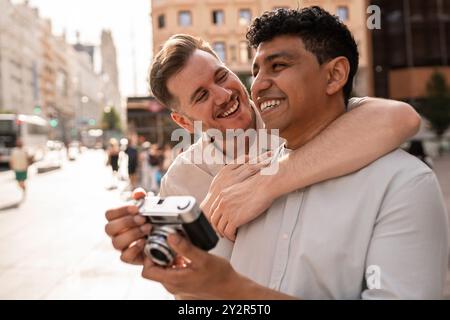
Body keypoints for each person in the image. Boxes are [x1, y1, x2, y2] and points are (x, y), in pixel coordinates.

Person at [104, 8, 443, 298]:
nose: (225, 94)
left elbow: (399, 118)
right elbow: (191, 290)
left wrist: (271, 181)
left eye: (223, 76)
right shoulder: (181, 178)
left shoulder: (316, 126)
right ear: (182, 119)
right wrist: (167, 255)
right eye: (201, 96)